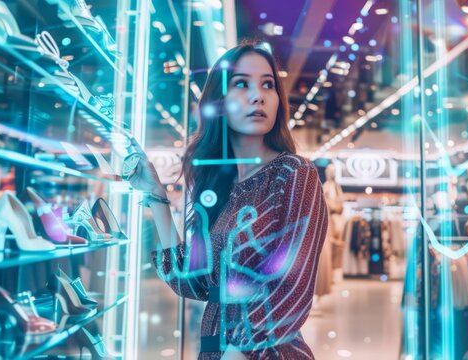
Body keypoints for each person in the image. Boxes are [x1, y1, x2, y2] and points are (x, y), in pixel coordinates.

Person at [127, 41, 328, 359]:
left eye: (268, 84)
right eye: (241, 84)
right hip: (214, 349)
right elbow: (193, 284)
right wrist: (156, 195)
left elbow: (292, 285)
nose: (258, 95)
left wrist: (235, 353)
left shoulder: (293, 173)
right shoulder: (219, 185)